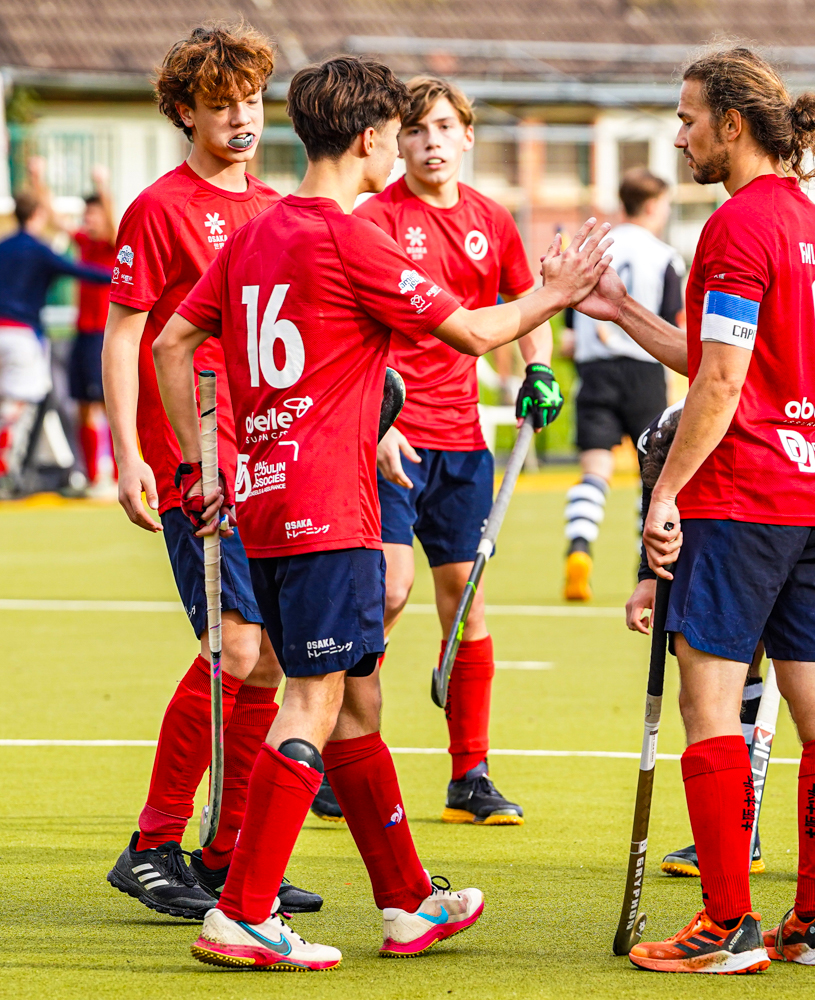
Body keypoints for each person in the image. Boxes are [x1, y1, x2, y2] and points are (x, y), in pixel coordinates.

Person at [152, 54, 612, 970]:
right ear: (370, 139)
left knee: (357, 704)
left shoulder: (257, 233)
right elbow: (478, 333)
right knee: (316, 699)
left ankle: (407, 902)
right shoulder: (351, 237)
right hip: (332, 506)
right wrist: (557, 295)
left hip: (266, 499)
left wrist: (211, 466)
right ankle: (242, 912)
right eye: (397, 132)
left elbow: (174, 342)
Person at [571, 45, 815, 973]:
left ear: (732, 124)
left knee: (710, 708)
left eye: (689, 116)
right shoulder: (806, 219)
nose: (680, 132)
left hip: (744, 501)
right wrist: (618, 308)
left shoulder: (737, 226)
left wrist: (665, 491)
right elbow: (723, 356)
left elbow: (726, 381)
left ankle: (728, 923)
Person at [100, 22, 321, 922]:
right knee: (232, 646)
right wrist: (127, 454)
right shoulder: (159, 209)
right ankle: (152, 846)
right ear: (184, 112)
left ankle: (227, 855)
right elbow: (125, 338)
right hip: (198, 462)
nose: (241, 117)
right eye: (221, 103)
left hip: (271, 456)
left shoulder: (275, 208)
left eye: (252, 101)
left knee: (266, 659)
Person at [347, 75, 559, 827]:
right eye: (415, 130)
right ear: (395, 142)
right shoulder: (373, 217)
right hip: (390, 439)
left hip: (463, 440)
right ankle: (338, 749)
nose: (430, 141)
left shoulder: (491, 220)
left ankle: (470, 773)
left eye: (443, 127)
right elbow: (352, 328)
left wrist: (538, 364)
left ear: (467, 137)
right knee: (390, 588)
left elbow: (524, 300)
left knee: (463, 598)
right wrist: (377, 421)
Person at [639, 383, 815, 883]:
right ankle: (742, 830)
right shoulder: (665, 431)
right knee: (736, 653)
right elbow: (657, 510)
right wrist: (648, 576)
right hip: (740, 498)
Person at [559, 166, 679, 601]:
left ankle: (579, 549)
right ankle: (645, 570)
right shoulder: (665, 254)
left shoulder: (597, 253)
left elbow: (571, 330)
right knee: (652, 476)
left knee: (594, 471)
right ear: (653, 206)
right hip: (643, 369)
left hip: (595, 370)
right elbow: (672, 323)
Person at [0, 185, 112, 488]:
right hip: (22, 336)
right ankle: (9, 472)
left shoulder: (3, 246)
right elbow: (78, 270)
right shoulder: (39, 250)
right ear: (38, 216)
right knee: (27, 400)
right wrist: (120, 278)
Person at [70, 170, 119, 492]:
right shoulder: (84, 241)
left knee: (112, 406)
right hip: (83, 333)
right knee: (83, 407)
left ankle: (117, 475)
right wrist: (37, 178)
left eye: (93, 211)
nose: (88, 218)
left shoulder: (111, 243)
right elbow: (44, 216)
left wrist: (103, 187)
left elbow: (114, 223)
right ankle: (92, 476)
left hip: (105, 335)